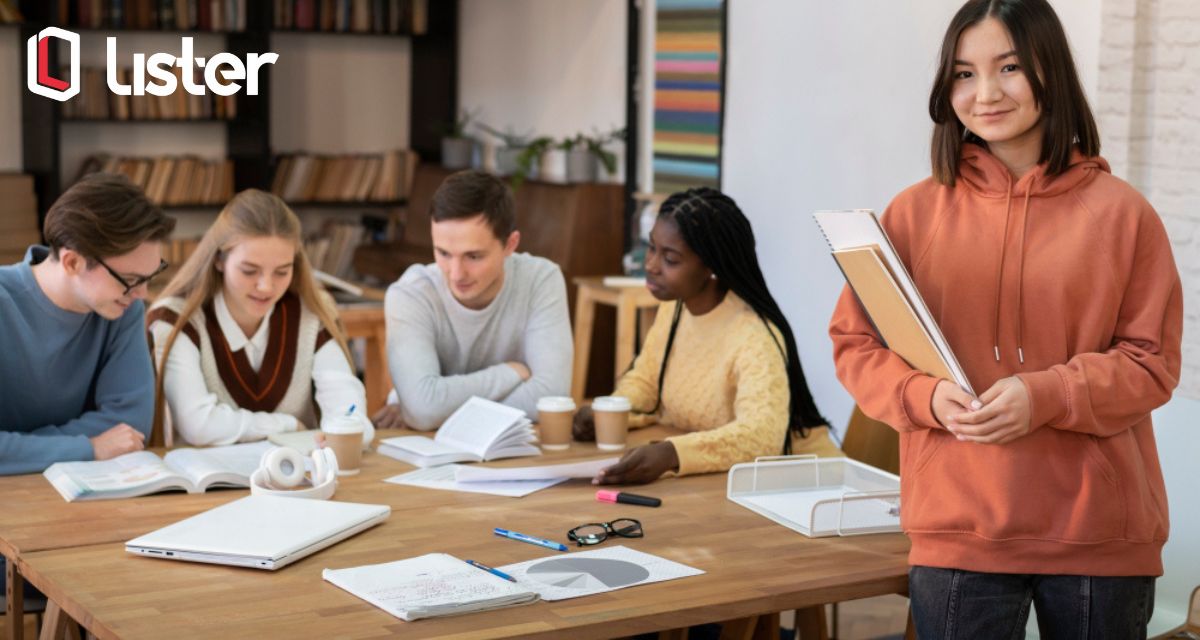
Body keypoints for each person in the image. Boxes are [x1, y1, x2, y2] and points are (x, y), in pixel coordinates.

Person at [828, 1, 1181, 637]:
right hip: (958, 528)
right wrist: (927, 397)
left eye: (1009, 67)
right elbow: (856, 344)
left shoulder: (1125, 215)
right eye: (964, 73)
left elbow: (1152, 365)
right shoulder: (912, 214)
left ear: (1052, 70)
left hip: (1099, 533)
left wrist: (1045, 394)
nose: (985, 93)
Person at [574, 187, 841, 485]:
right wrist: (610, 410)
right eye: (652, 248)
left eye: (670, 259)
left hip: (808, 484)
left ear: (711, 268)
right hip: (733, 485)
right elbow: (647, 380)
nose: (650, 266)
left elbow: (762, 436)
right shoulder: (675, 309)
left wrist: (672, 454)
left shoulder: (754, 337)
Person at [148, 189, 374, 448]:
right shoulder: (176, 318)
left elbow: (349, 413)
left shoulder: (312, 312)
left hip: (300, 482)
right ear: (219, 260)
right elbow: (199, 425)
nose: (266, 287)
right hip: (209, 485)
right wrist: (288, 425)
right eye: (249, 270)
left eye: (282, 271)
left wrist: (349, 426)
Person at [0, 173, 173, 475]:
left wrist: (18, 449)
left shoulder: (123, 308)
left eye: (149, 277)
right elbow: (109, 442)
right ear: (72, 262)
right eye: (131, 280)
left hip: (86, 490)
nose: (143, 294)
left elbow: (130, 425)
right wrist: (90, 447)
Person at [373, 170, 572, 430]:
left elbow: (550, 397)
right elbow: (423, 409)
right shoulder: (411, 293)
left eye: (474, 256)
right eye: (443, 253)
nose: (456, 274)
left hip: (512, 449)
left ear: (510, 245)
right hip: (423, 447)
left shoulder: (541, 279)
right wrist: (510, 373)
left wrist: (438, 409)